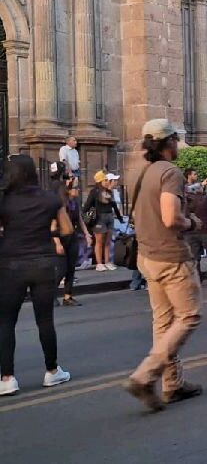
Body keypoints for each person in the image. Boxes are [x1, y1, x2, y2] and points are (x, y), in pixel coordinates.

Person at [123, 119, 203, 412]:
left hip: (147, 256)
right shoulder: (170, 172)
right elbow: (171, 218)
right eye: (175, 140)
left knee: (163, 321)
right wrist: (192, 222)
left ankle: (172, 384)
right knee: (189, 316)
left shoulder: (138, 171)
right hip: (170, 256)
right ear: (168, 142)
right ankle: (145, 375)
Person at [0, 155, 73, 396]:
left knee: (7, 321)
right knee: (45, 320)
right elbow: (67, 229)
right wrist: (45, 229)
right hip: (43, 262)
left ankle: (7, 377)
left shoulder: (5, 200)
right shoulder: (50, 199)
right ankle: (52, 371)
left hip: (11, 264)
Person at [58, 178, 91, 306]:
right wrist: (56, 242)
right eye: (75, 188)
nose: (77, 190)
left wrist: (87, 234)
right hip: (62, 237)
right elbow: (54, 223)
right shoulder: (61, 204)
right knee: (61, 268)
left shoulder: (75, 203)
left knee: (71, 268)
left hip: (73, 236)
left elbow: (80, 219)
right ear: (68, 190)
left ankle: (68, 296)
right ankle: (51, 294)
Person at [83, 171, 123, 271]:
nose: (107, 182)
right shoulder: (94, 192)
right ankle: (99, 263)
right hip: (99, 218)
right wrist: (89, 216)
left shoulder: (109, 191)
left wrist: (120, 218)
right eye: (105, 180)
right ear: (100, 181)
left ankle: (107, 261)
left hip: (109, 216)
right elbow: (87, 206)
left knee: (108, 241)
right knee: (99, 241)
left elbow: (113, 205)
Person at [185, 183, 207, 286]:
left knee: (195, 256)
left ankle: (197, 277)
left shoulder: (186, 202)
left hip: (191, 232)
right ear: (200, 190)